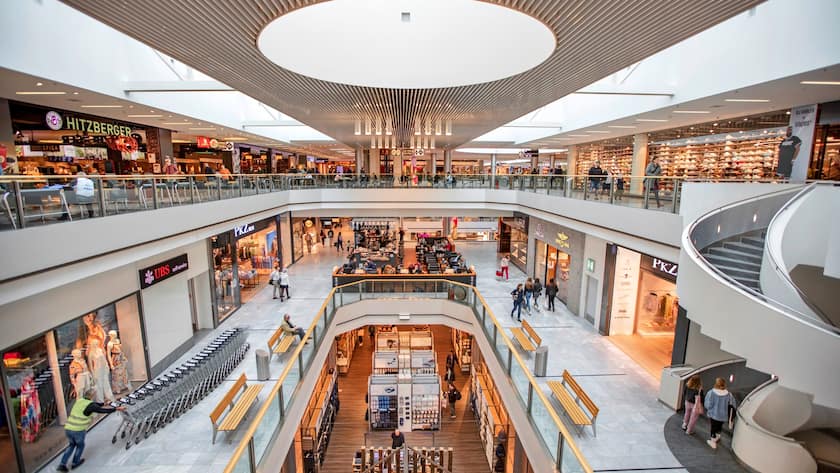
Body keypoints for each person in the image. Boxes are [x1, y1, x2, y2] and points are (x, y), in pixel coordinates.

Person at [57, 388, 125, 472]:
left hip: (68, 428)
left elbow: (95, 405)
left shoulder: (80, 401)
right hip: (78, 430)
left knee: (71, 445)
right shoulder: (91, 405)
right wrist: (116, 409)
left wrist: (104, 403)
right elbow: (101, 410)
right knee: (80, 446)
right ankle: (75, 463)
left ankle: (62, 464)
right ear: (92, 396)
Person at [704, 377, 737, 449]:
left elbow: (708, 405)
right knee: (719, 426)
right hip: (723, 416)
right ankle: (718, 436)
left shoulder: (711, 393)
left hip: (713, 415)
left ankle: (713, 441)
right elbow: (733, 405)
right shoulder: (729, 394)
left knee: (713, 427)